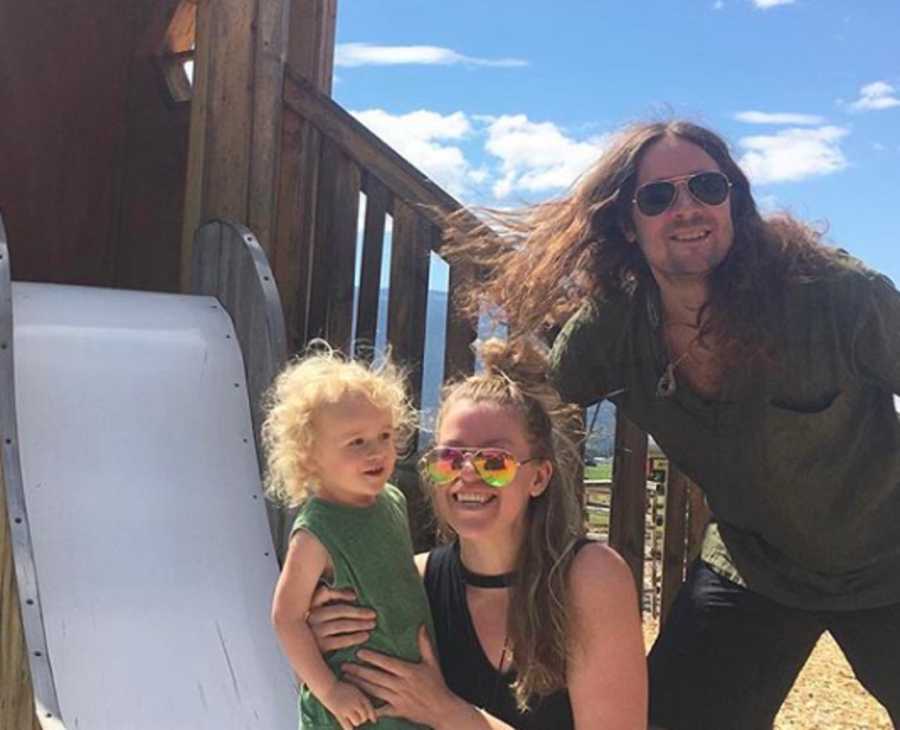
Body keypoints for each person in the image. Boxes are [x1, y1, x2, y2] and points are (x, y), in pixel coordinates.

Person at [440, 120, 900, 729]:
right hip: (753, 567)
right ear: (628, 225)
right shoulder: (611, 332)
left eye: (707, 187)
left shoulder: (838, 297)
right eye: (657, 197)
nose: (686, 209)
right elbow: (529, 409)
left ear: (735, 202)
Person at [309, 339, 647, 729]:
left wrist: (448, 713)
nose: (468, 474)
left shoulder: (590, 578)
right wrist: (324, 653)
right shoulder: (411, 581)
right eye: (450, 458)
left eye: (493, 462)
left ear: (538, 477)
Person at [263, 345, 434, 730]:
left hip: (404, 697)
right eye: (356, 442)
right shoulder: (317, 531)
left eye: (385, 435)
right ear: (310, 456)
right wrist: (330, 691)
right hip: (352, 707)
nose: (377, 451)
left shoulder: (392, 499)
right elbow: (286, 617)